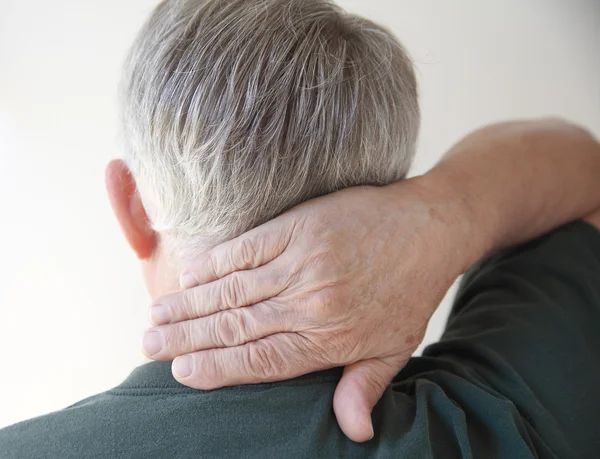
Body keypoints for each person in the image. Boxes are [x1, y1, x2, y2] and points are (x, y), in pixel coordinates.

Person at [1, 0, 600, 458]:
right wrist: (442, 215)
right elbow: (585, 172)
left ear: (131, 206)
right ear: (391, 194)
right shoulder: (489, 425)